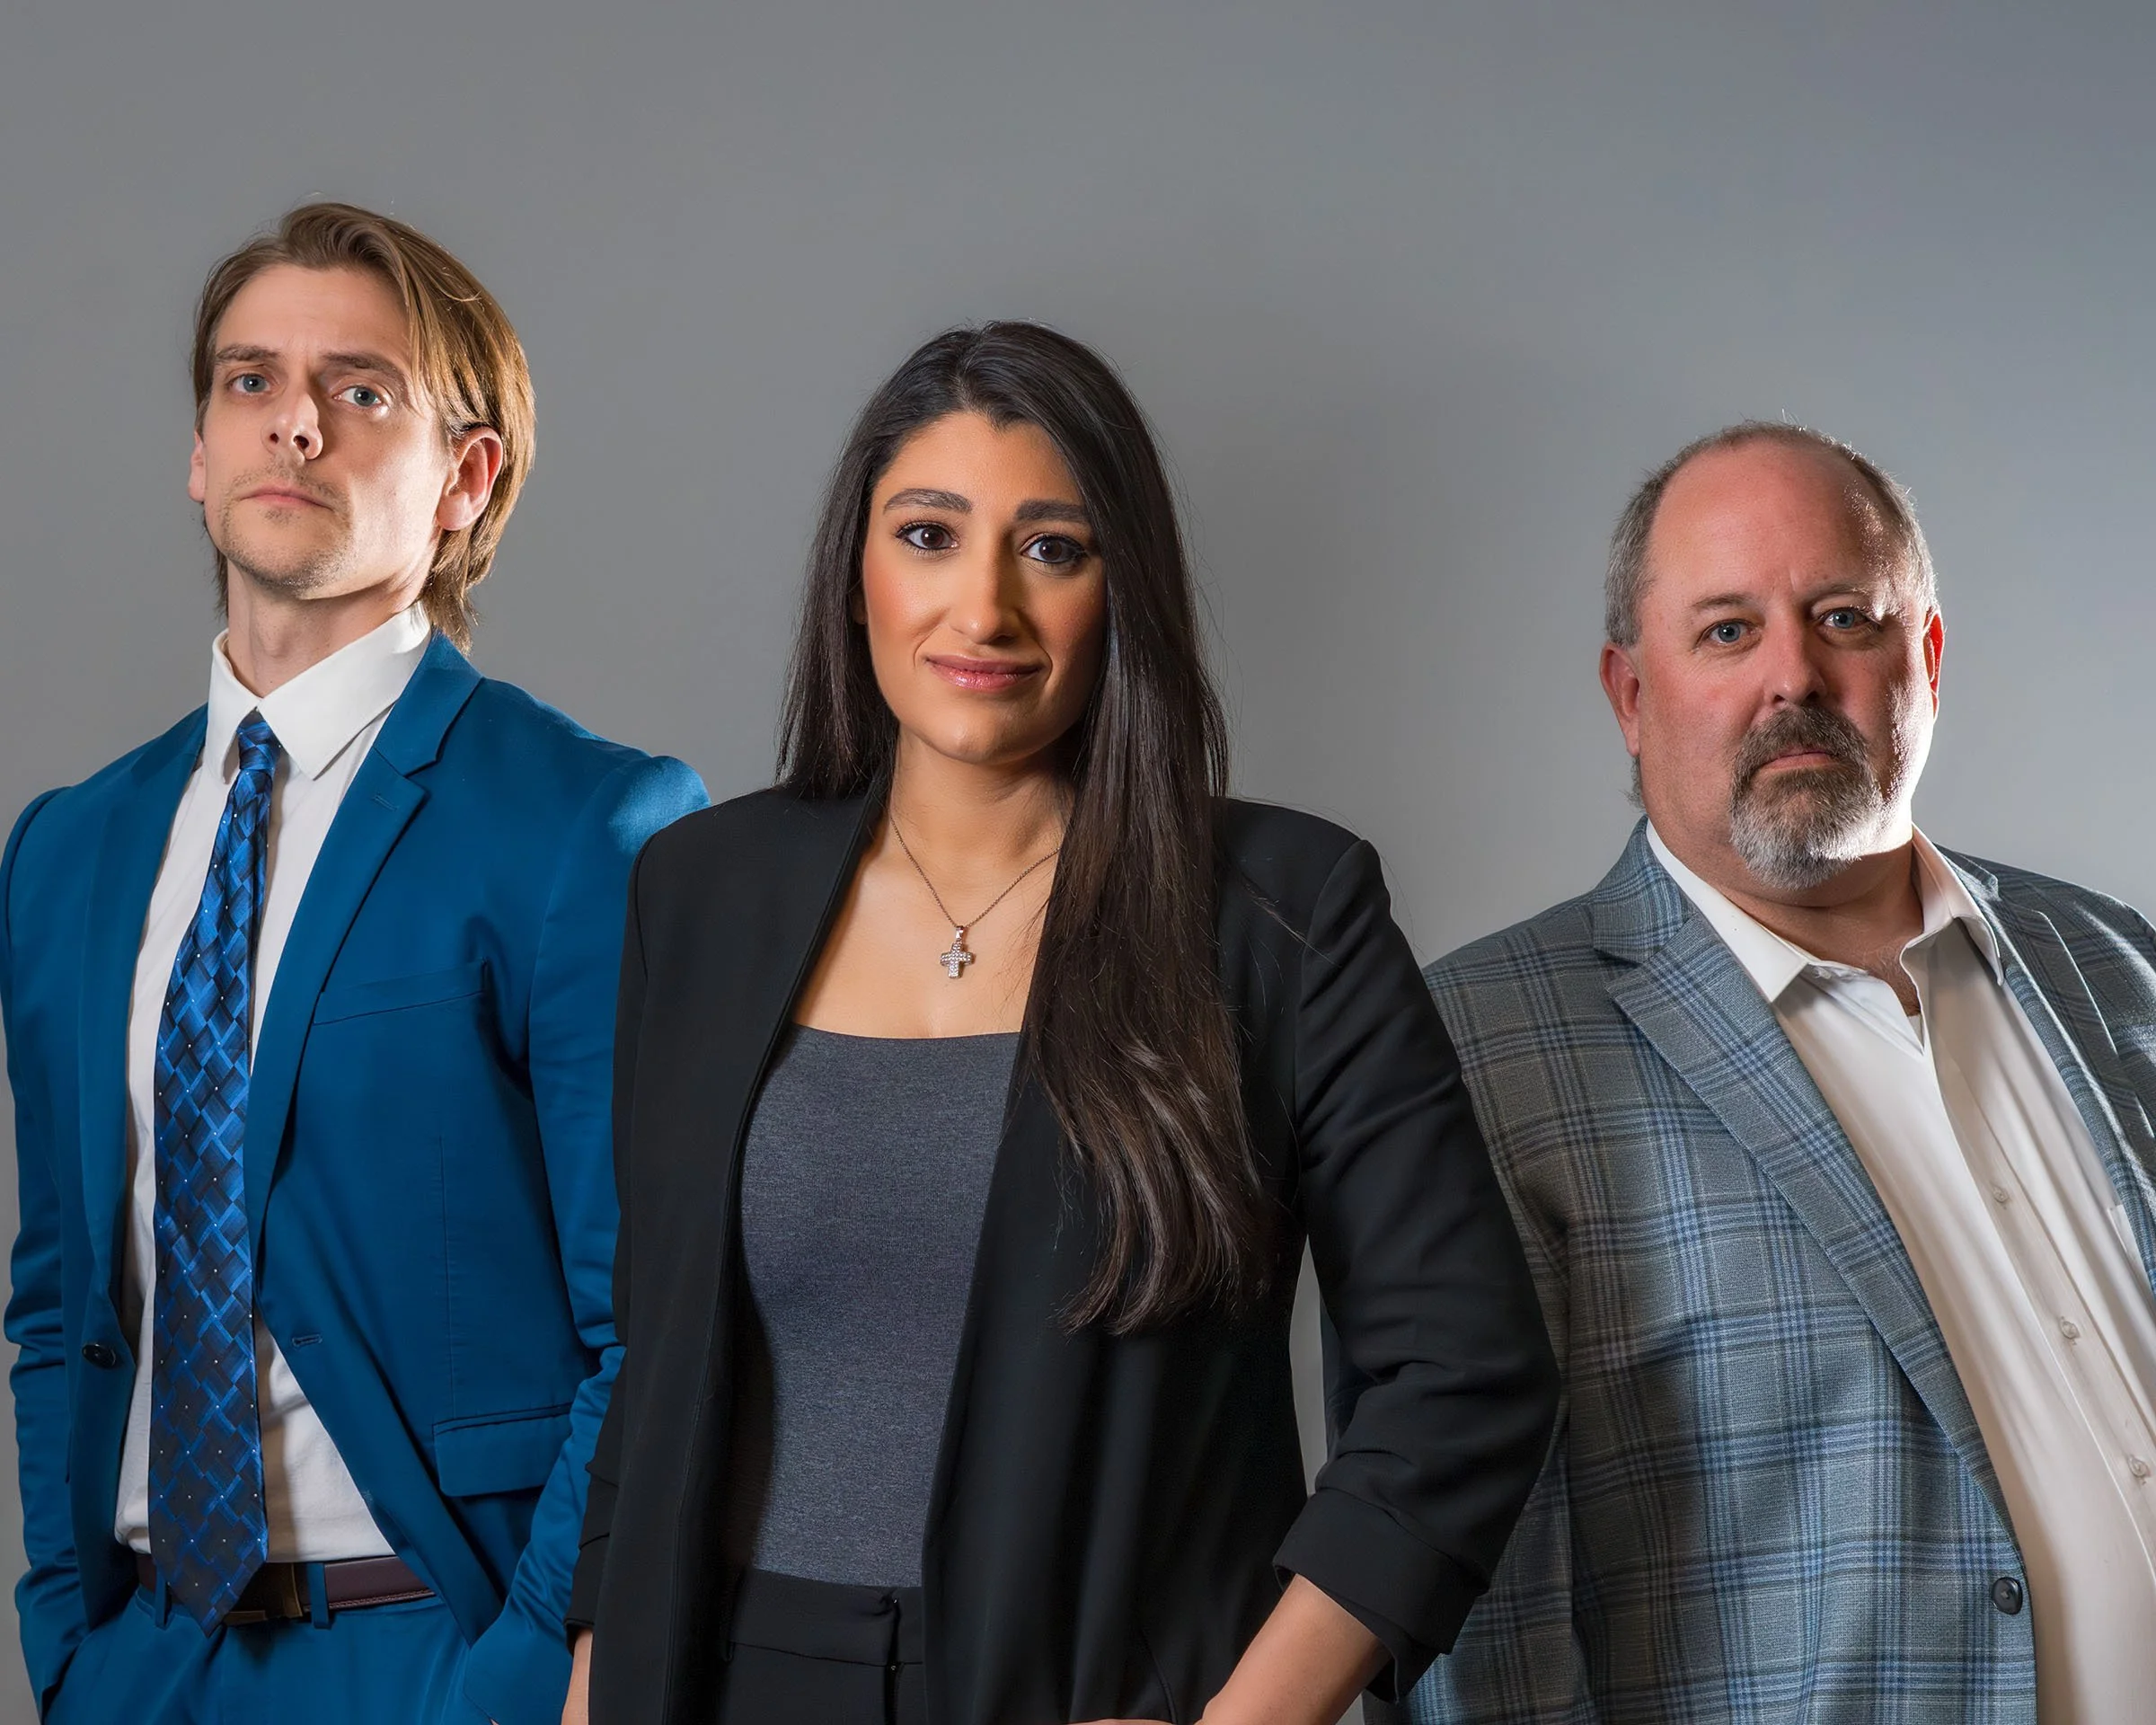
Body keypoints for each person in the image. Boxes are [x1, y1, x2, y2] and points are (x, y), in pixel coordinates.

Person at [559, 322, 1557, 1725]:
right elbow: (656, 1382)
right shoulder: (702, 892)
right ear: (858, 575)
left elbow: (1466, 1377)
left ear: (1122, 592)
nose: (983, 610)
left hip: (1099, 1680)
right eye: (927, 535)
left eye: (1052, 548)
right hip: (730, 1684)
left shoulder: (1280, 911)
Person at [0, 203, 705, 1725]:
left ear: (468, 477)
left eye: (360, 390)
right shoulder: (66, 852)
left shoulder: (589, 823)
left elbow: (654, 1317)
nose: (294, 425)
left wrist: (529, 1671)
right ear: (199, 452)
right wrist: (68, 1639)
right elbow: (59, 1299)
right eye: (250, 381)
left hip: (436, 1656)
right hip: (143, 1665)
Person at [1405, 422, 2156, 1723]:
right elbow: (1484, 1637)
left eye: (1844, 617)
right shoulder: (1481, 1052)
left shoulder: (2114, 961)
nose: (1793, 677)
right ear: (1631, 699)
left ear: (1923, 659)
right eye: (1726, 631)